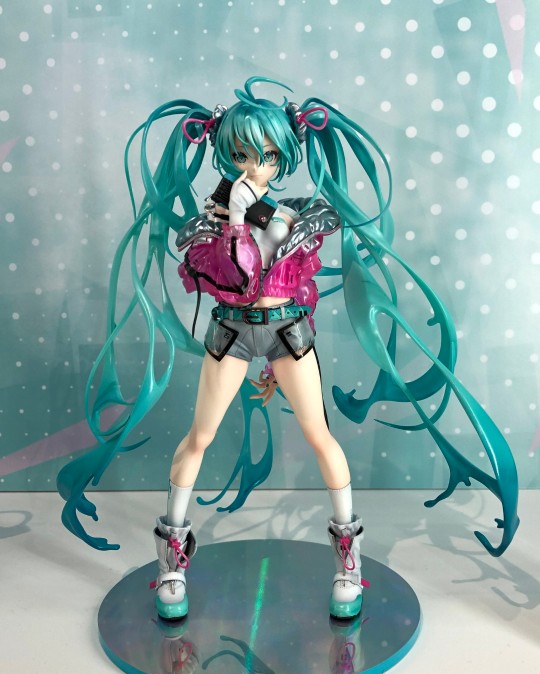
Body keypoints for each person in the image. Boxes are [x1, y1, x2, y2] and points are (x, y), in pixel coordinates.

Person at [57, 77, 519, 622]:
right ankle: (172, 559)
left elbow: (297, 280)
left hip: (287, 333)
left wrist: (261, 223)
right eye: (243, 155)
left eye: (269, 156)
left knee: (320, 435)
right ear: (225, 153)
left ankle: (348, 561)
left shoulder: (301, 216)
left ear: (284, 156)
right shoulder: (207, 225)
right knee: (200, 436)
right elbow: (234, 276)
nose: (257, 167)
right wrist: (234, 218)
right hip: (232, 332)